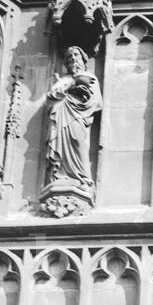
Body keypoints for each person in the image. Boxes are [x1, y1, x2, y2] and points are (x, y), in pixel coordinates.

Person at [46, 47, 102, 205]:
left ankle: (83, 179)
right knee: (60, 145)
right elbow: (51, 96)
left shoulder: (90, 77)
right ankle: (60, 175)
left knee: (78, 142)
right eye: (69, 56)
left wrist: (79, 91)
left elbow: (96, 102)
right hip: (60, 115)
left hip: (78, 116)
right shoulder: (64, 79)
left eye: (76, 55)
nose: (73, 58)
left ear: (83, 59)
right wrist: (67, 85)